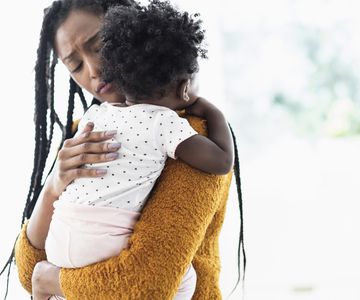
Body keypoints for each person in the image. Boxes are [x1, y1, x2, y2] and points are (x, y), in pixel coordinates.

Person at [0, 0, 245, 299]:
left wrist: (53, 281)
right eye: (75, 65)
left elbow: (144, 285)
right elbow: (30, 270)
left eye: (99, 45)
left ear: (134, 33)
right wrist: (52, 187)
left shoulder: (192, 137)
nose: (93, 69)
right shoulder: (88, 129)